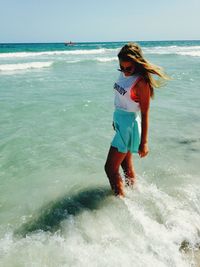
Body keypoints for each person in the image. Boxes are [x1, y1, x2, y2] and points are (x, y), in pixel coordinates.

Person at [104, 42, 169, 197]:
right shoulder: (124, 74)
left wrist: (144, 142)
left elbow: (145, 113)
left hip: (129, 126)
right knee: (126, 165)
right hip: (121, 123)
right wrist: (116, 121)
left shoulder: (141, 82)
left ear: (137, 64)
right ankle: (135, 194)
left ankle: (121, 202)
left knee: (110, 168)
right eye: (122, 67)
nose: (125, 71)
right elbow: (121, 99)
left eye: (129, 68)